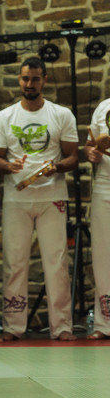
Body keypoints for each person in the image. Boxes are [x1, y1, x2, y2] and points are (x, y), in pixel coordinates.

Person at [0, 57, 79, 341]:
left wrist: (57, 166)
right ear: (19, 79)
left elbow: (73, 156)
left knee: (56, 261)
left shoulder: (61, 115)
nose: (30, 84)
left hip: (53, 195)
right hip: (16, 198)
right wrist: (9, 167)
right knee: (15, 262)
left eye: (36, 79)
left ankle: (62, 327)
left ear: (45, 80)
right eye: (25, 79)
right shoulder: (5, 117)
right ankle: (14, 327)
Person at [86, 97, 110, 339]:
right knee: (103, 253)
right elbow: (89, 145)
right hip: (105, 183)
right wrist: (92, 153)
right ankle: (105, 323)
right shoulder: (103, 107)